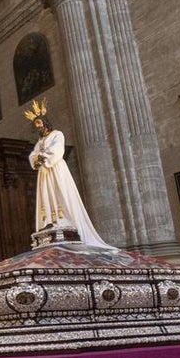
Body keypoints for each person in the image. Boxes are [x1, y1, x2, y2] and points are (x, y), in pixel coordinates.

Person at [25, 98, 112, 248]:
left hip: (56, 169)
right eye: (36, 125)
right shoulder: (40, 141)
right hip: (44, 172)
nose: (38, 126)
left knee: (60, 192)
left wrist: (43, 157)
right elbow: (33, 154)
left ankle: (63, 220)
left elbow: (57, 150)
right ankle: (49, 221)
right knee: (46, 194)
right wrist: (36, 159)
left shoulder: (57, 134)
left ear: (45, 122)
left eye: (39, 123)